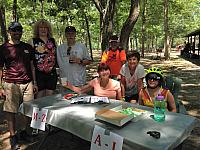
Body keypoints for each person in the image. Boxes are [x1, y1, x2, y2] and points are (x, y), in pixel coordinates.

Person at [0, 22, 36, 149]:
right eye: (14, 30)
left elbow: (32, 66)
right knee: (11, 111)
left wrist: (34, 82)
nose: (17, 33)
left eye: (19, 30)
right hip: (11, 84)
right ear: (10, 31)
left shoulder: (27, 47)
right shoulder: (3, 48)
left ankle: (26, 132)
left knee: (28, 110)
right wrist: (0, 87)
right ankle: (13, 136)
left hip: (28, 84)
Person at [28, 19, 57, 98]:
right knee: (39, 99)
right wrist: (33, 81)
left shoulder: (52, 41)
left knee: (49, 98)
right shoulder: (32, 41)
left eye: (45, 27)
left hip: (51, 74)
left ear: (48, 29)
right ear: (37, 29)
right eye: (41, 27)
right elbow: (30, 61)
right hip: (38, 74)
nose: (43, 29)